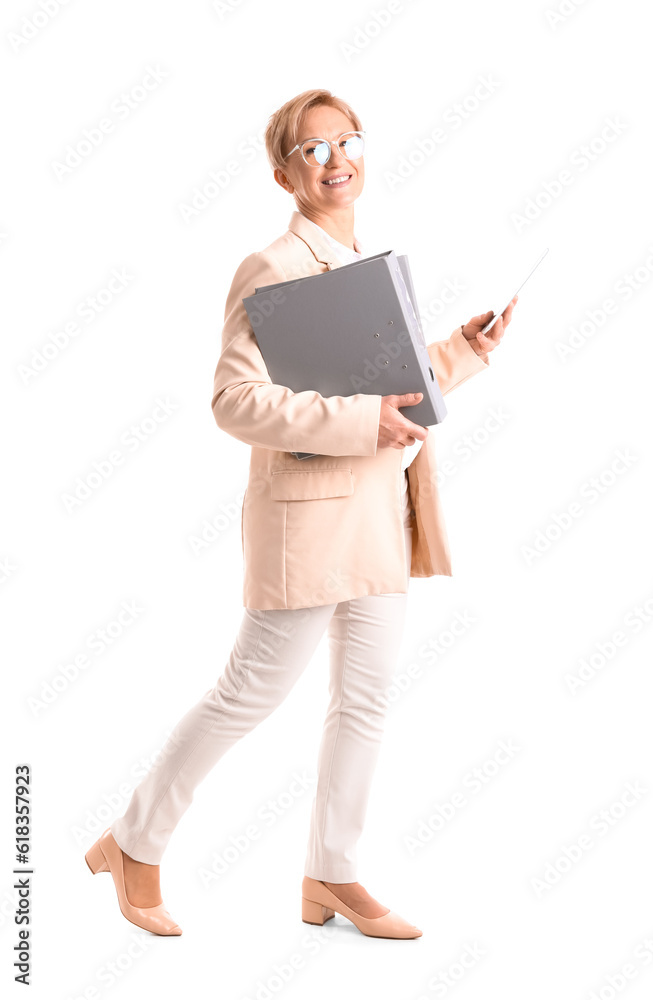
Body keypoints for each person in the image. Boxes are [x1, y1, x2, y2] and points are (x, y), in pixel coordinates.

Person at [84, 88, 516, 940]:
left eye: (347, 141)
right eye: (312, 150)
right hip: (312, 522)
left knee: (365, 702)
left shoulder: (362, 269)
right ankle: (133, 842)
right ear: (283, 174)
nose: (335, 159)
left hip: (381, 516)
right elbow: (234, 401)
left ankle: (332, 874)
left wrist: (461, 353)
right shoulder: (271, 268)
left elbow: (380, 386)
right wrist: (362, 422)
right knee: (249, 694)